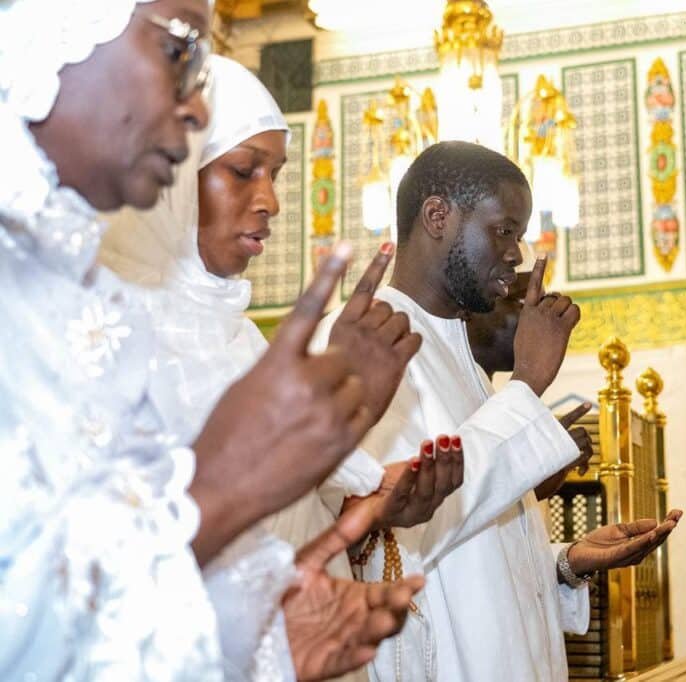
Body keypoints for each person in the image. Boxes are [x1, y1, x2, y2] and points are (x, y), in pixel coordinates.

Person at [0, 2, 418, 678]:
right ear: (59, 26)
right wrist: (218, 492)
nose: (195, 107)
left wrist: (254, 637)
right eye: (179, 50)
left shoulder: (75, 298)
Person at [99, 54, 461, 680]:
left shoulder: (241, 338)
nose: (269, 200)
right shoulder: (110, 332)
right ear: (175, 178)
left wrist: (368, 475)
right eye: (243, 171)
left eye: (275, 174)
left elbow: (285, 511)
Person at [310, 141, 682, 681]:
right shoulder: (367, 334)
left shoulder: (461, 357)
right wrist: (528, 383)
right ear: (438, 216)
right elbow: (394, 535)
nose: (517, 254)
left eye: (520, 235)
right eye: (504, 230)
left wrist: (564, 562)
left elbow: (481, 551)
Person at [465, 270, 593, 500]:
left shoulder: (487, 395)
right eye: (524, 301)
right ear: (469, 310)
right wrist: (529, 378)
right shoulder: (431, 391)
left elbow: (500, 507)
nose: (537, 315)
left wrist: (554, 463)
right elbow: (456, 505)